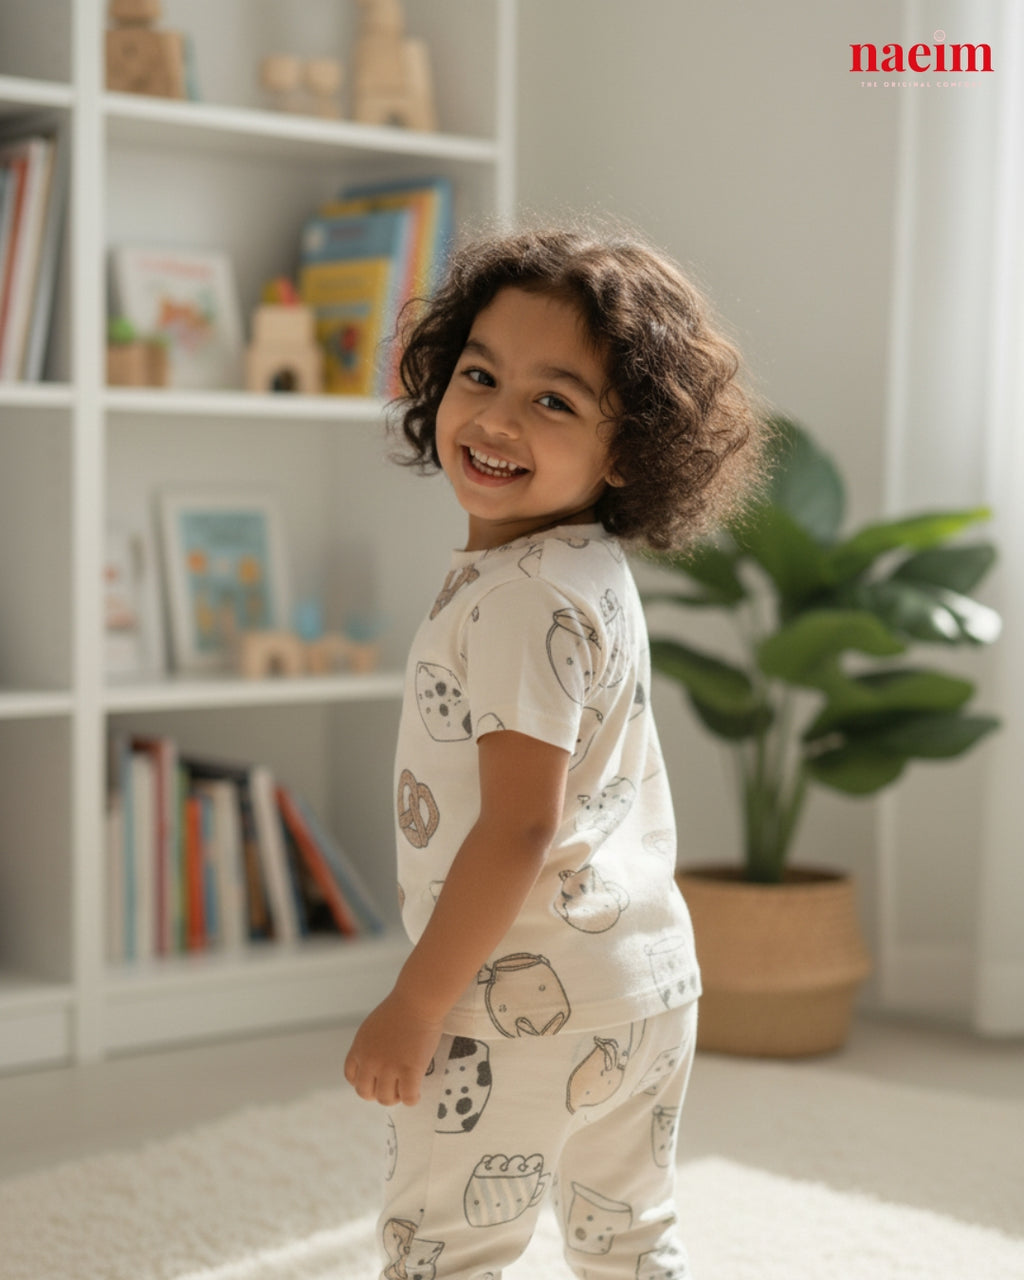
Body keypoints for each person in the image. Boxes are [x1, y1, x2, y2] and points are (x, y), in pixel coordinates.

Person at [344, 224, 767, 1279]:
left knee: (445, 1242)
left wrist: (416, 1001)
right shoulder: (586, 565)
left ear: (629, 450)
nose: (493, 417)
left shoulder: (521, 593)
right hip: (645, 983)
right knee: (627, 1234)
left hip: (515, 1003)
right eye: (479, 374)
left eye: (554, 400)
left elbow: (521, 820)